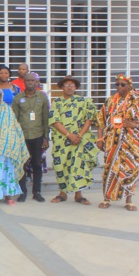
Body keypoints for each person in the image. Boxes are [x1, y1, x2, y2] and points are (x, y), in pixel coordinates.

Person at [97, 74, 139, 212]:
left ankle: (129, 199)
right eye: (117, 84)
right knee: (110, 168)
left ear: (129, 85)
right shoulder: (110, 101)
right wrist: (100, 139)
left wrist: (135, 125)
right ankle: (106, 198)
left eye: (123, 84)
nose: (119, 87)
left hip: (130, 141)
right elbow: (100, 120)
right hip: (112, 141)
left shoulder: (138, 100)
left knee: (131, 168)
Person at [49, 75, 99, 205]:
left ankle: (79, 195)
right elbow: (55, 121)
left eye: (72, 85)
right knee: (61, 166)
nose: (69, 87)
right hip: (62, 140)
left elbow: (89, 118)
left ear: (76, 87)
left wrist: (79, 135)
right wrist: (69, 135)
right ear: (62, 87)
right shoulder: (56, 103)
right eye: (66, 85)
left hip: (79, 140)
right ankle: (63, 193)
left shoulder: (84, 101)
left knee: (78, 166)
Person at [11, 73, 50, 203]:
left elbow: (45, 119)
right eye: (27, 80)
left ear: (37, 82)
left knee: (37, 164)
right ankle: (22, 192)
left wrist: (46, 138)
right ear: (24, 82)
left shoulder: (42, 98)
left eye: (33, 80)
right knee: (21, 164)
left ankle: (37, 191)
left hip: (38, 135)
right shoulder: (17, 98)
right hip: (21, 137)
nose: (30, 82)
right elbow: (14, 119)